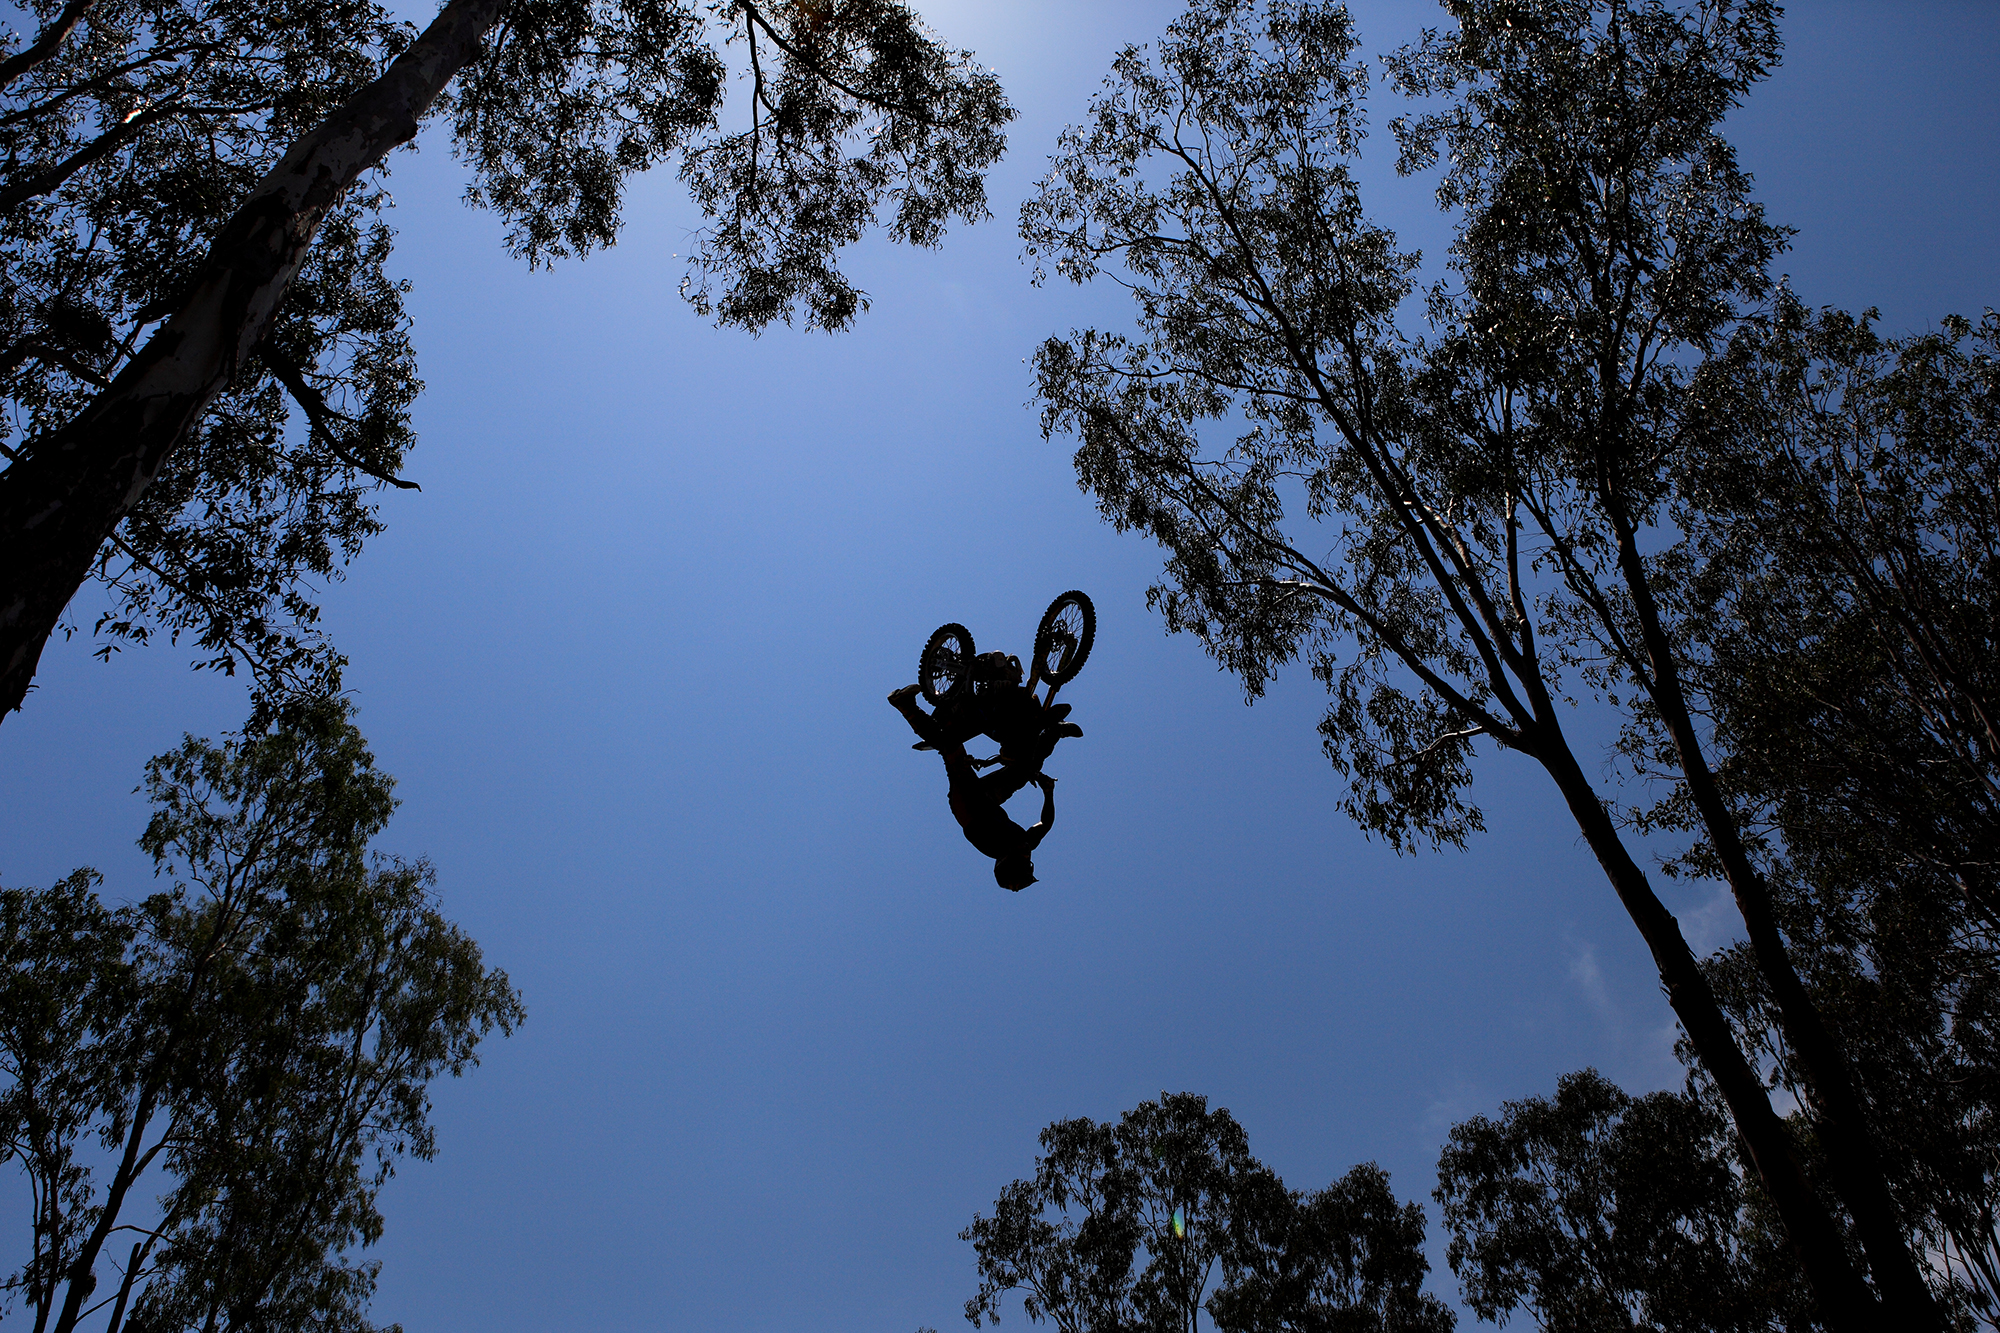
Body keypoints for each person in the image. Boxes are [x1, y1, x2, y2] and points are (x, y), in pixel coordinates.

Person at [890, 683, 1059, 891]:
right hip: (986, 799)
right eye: (1027, 862)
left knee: (951, 748)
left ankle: (905, 705)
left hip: (969, 804)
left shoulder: (991, 845)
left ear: (1008, 862)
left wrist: (962, 767)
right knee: (1024, 771)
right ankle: (1052, 733)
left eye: (1024, 862)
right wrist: (1048, 791)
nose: (1027, 856)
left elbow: (972, 811)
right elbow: (1046, 823)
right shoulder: (1024, 843)